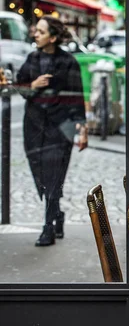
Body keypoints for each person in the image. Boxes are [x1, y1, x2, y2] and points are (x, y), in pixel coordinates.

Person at [16, 16, 88, 247]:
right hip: (34, 126)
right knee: (39, 175)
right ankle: (57, 214)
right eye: (35, 31)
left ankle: (48, 227)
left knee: (54, 178)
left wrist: (82, 127)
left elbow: (77, 95)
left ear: (53, 37)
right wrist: (32, 86)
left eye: (40, 31)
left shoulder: (68, 62)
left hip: (60, 127)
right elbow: (20, 86)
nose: (35, 34)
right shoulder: (31, 58)